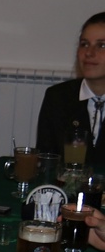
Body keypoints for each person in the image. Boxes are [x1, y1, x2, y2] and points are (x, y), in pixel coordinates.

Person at [36, 12, 105, 170]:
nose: (89, 53)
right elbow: (46, 161)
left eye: (101, 45)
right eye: (84, 44)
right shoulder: (57, 97)